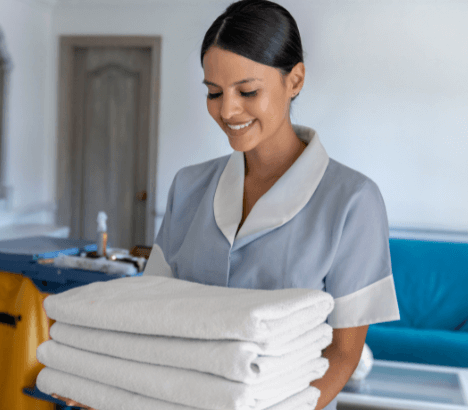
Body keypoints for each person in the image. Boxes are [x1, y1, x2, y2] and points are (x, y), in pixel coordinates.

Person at [53, 1, 400, 409]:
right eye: (214, 93)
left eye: (248, 91)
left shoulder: (353, 201)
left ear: (296, 80)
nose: (227, 110)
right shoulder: (188, 187)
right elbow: (149, 318)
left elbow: (343, 353)